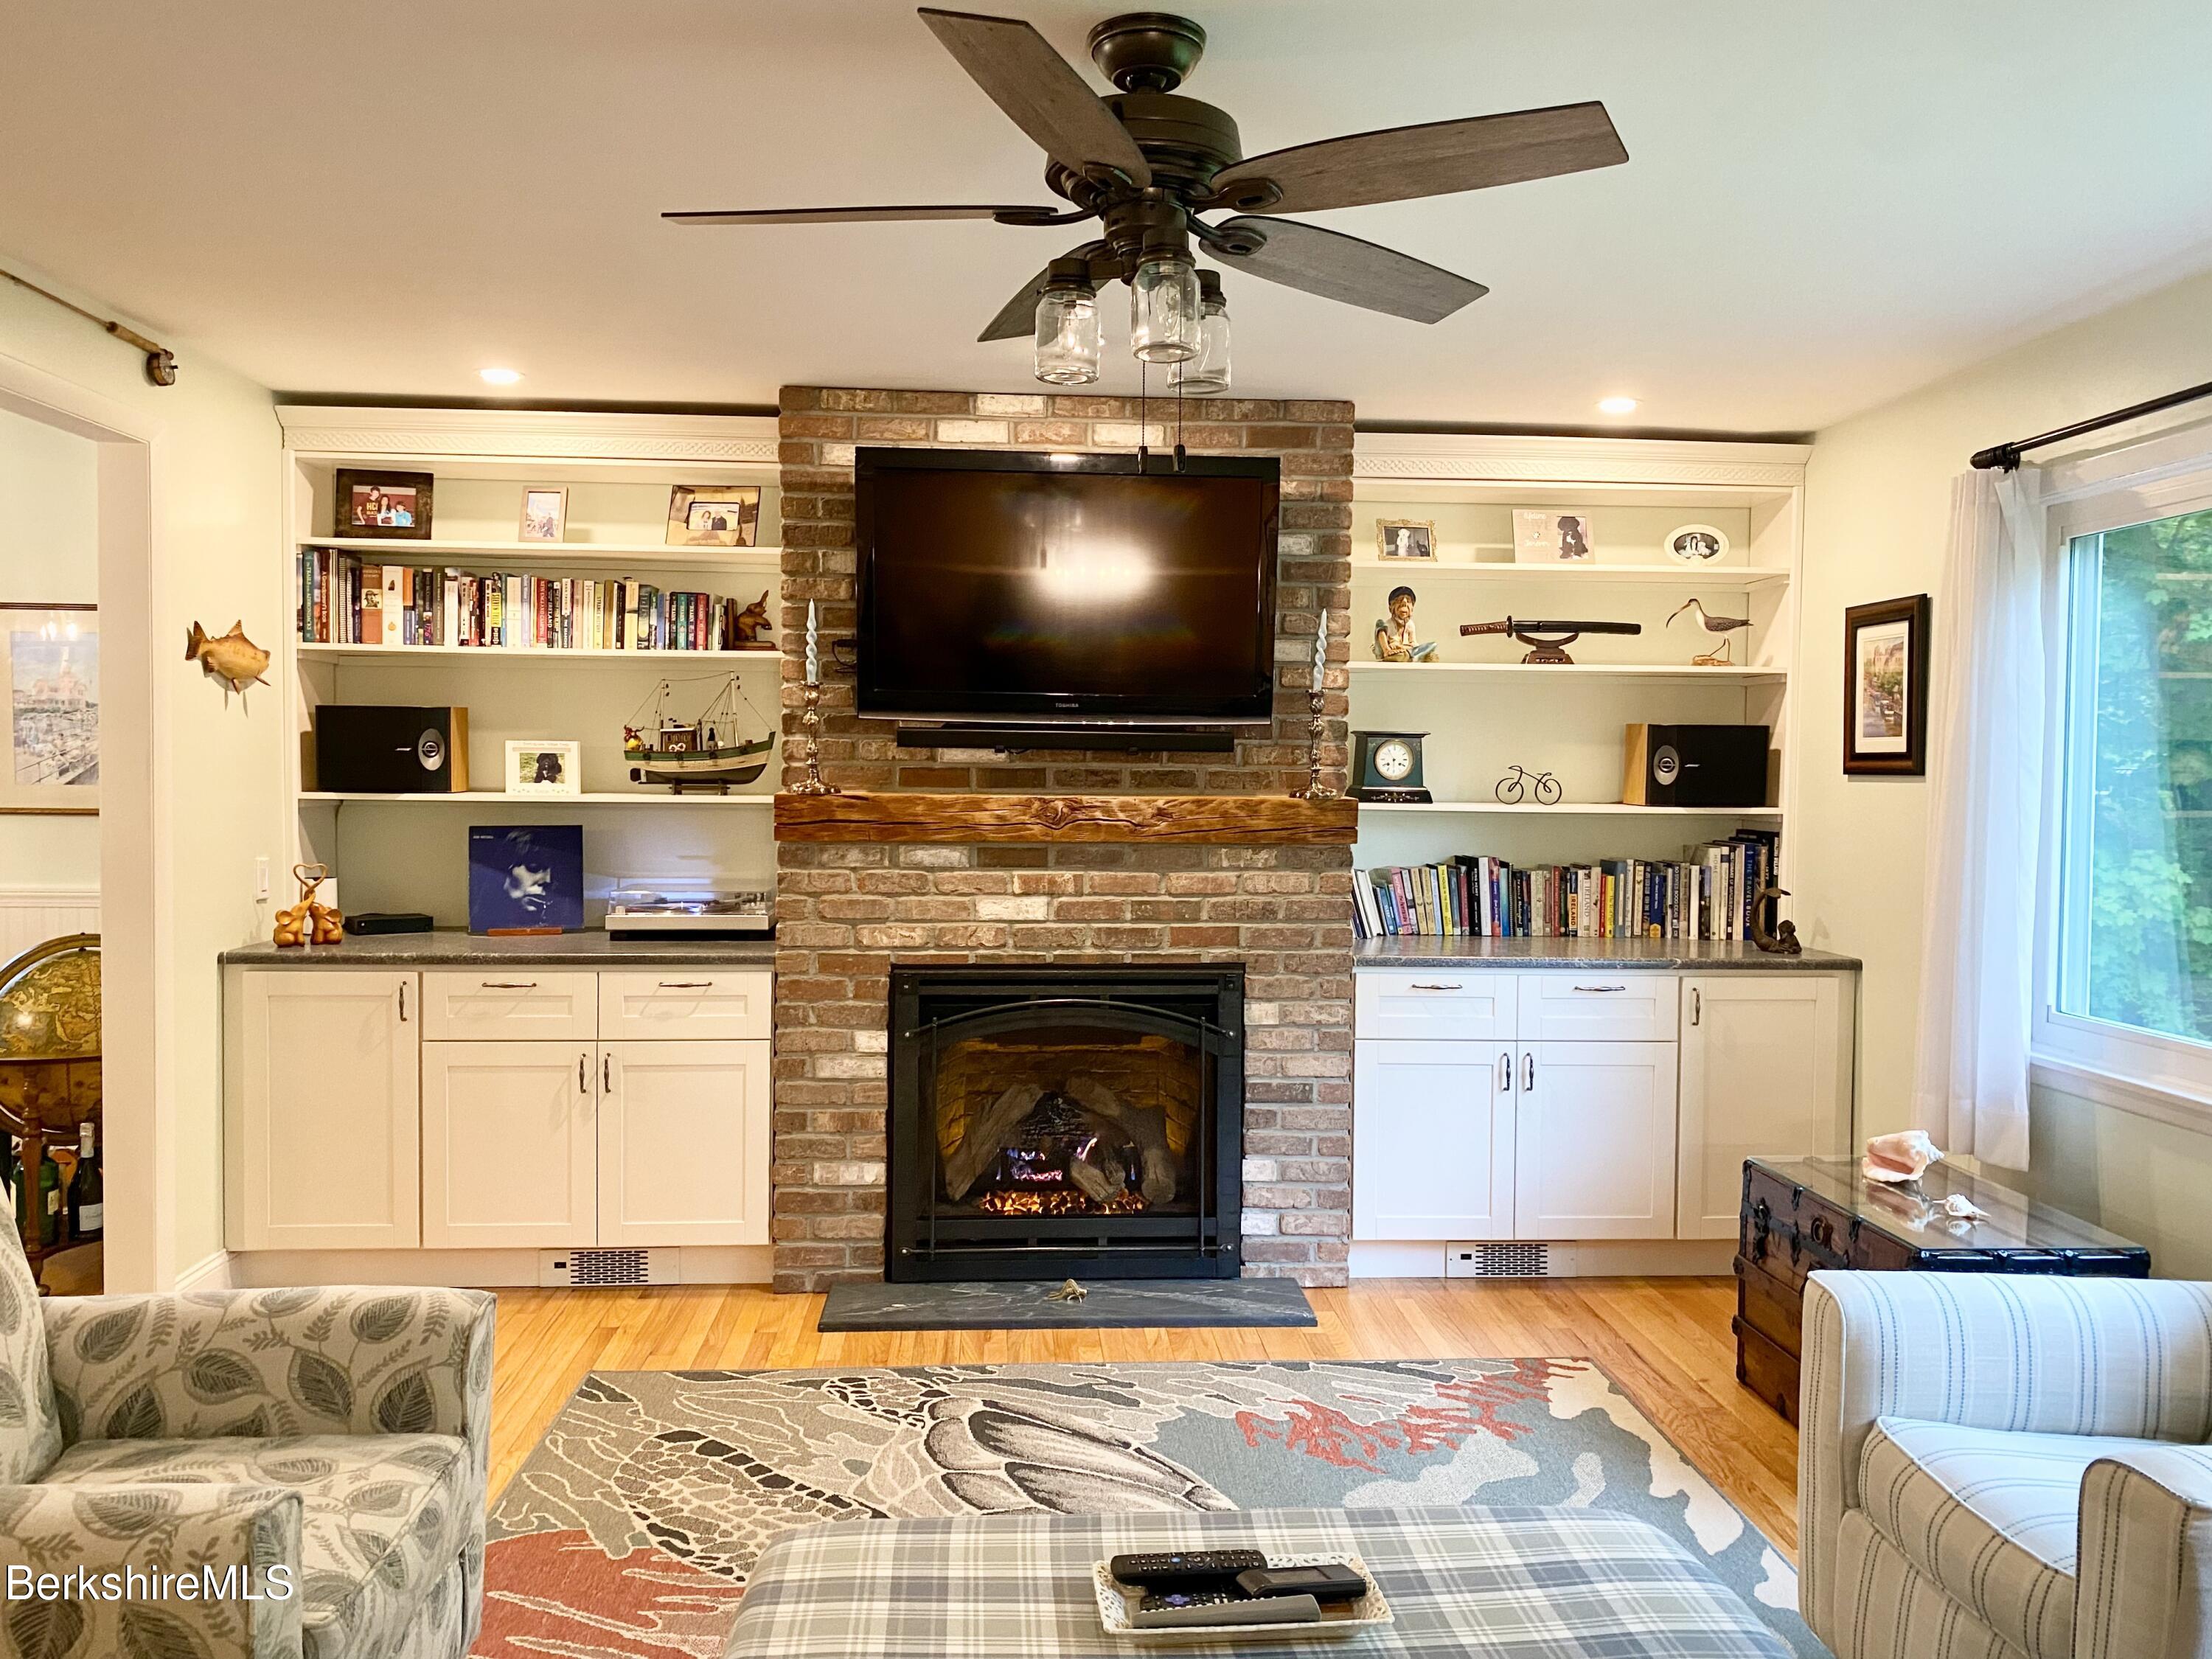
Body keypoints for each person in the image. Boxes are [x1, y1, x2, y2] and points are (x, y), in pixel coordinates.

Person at [1373, 585, 1437, 662]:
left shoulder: (1410, 625)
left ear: (1412, 608)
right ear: (1391, 608)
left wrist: (1400, 647)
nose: (1404, 603)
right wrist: (1389, 648)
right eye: (1399, 601)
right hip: (1392, 652)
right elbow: (1389, 642)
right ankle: (1389, 653)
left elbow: (1414, 644)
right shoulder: (1388, 625)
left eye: (1409, 601)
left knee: (1433, 645)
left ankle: (1407, 656)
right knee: (1379, 623)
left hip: (1406, 652)